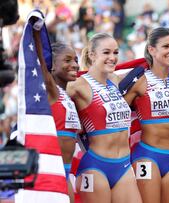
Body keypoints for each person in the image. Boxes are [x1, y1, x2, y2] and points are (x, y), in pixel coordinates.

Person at [123, 27, 169, 203]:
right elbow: (115, 110)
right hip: (147, 157)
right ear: (152, 50)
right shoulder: (140, 81)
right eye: (166, 47)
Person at [67, 33, 142, 203]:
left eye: (115, 53)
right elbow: (52, 95)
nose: (112, 57)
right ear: (92, 55)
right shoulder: (79, 85)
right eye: (106, 52)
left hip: (123, 165)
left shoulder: (115, 80)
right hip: (96, 167)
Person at [33, 31, 81, 202]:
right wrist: (37, 33)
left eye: (76, 59)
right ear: (51, 65)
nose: (75, 64)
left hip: (65, 172)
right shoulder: (51, 91)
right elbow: (40, 61)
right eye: (67, 60)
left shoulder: (67, 97)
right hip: (50, 171)